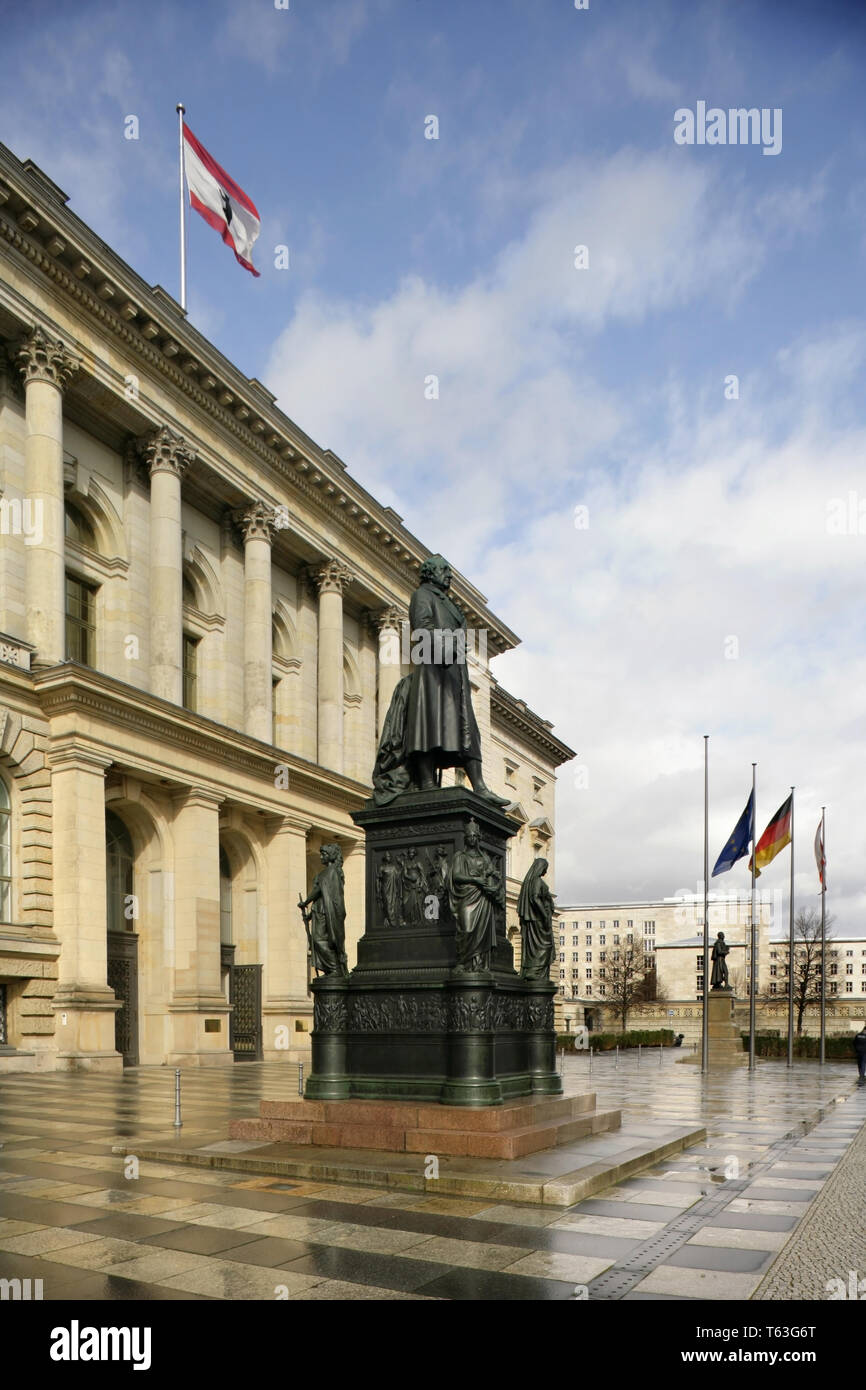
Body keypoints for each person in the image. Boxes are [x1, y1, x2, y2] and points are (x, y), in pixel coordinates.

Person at [371, 555, 508, 806]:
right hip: (434, 669)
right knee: (428, 725)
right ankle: (426, 783)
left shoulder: (449, 603)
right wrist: (448, 645)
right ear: (429, 573)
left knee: (467, 728)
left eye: (448, 571)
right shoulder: (423, 595)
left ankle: (479, 786)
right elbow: (422, 628)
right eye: (443, 570)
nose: (448, 575)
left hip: (454, 673)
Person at [448, 818, 504, 972]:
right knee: (466, 930)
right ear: (466, 838)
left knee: (481, 932)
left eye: (474, 836)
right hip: (467, 897)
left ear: (478, 838)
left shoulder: (484, 857)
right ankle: (462, 962)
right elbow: (456, 876)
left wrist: (492, 880)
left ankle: (478, 964)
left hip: (483, 899)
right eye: (469, 836)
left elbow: (493, 873)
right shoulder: (460, 856)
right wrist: (475, 879)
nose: (472, 839)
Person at [299, 844, 348, 977]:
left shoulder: (330, 872)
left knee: (319, 940)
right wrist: (310, 915)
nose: (321, 857)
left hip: (324, 911)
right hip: (320, 910)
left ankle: (334, 968)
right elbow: (322, 896)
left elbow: (318, 890)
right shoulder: (330, 872)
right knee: (319, 940)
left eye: (324, 854)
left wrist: (305, 902)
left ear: (331, 856)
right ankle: (330, 969)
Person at [517, 857, 555, 981]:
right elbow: (535, 898)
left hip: (536, 919)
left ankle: (535, 971)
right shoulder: (537, 881)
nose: (546, 871)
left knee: (535, 947)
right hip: (539, 920)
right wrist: (544, 915)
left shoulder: (530, 881)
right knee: (545, 946)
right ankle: (534, 971)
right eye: (545, 868)